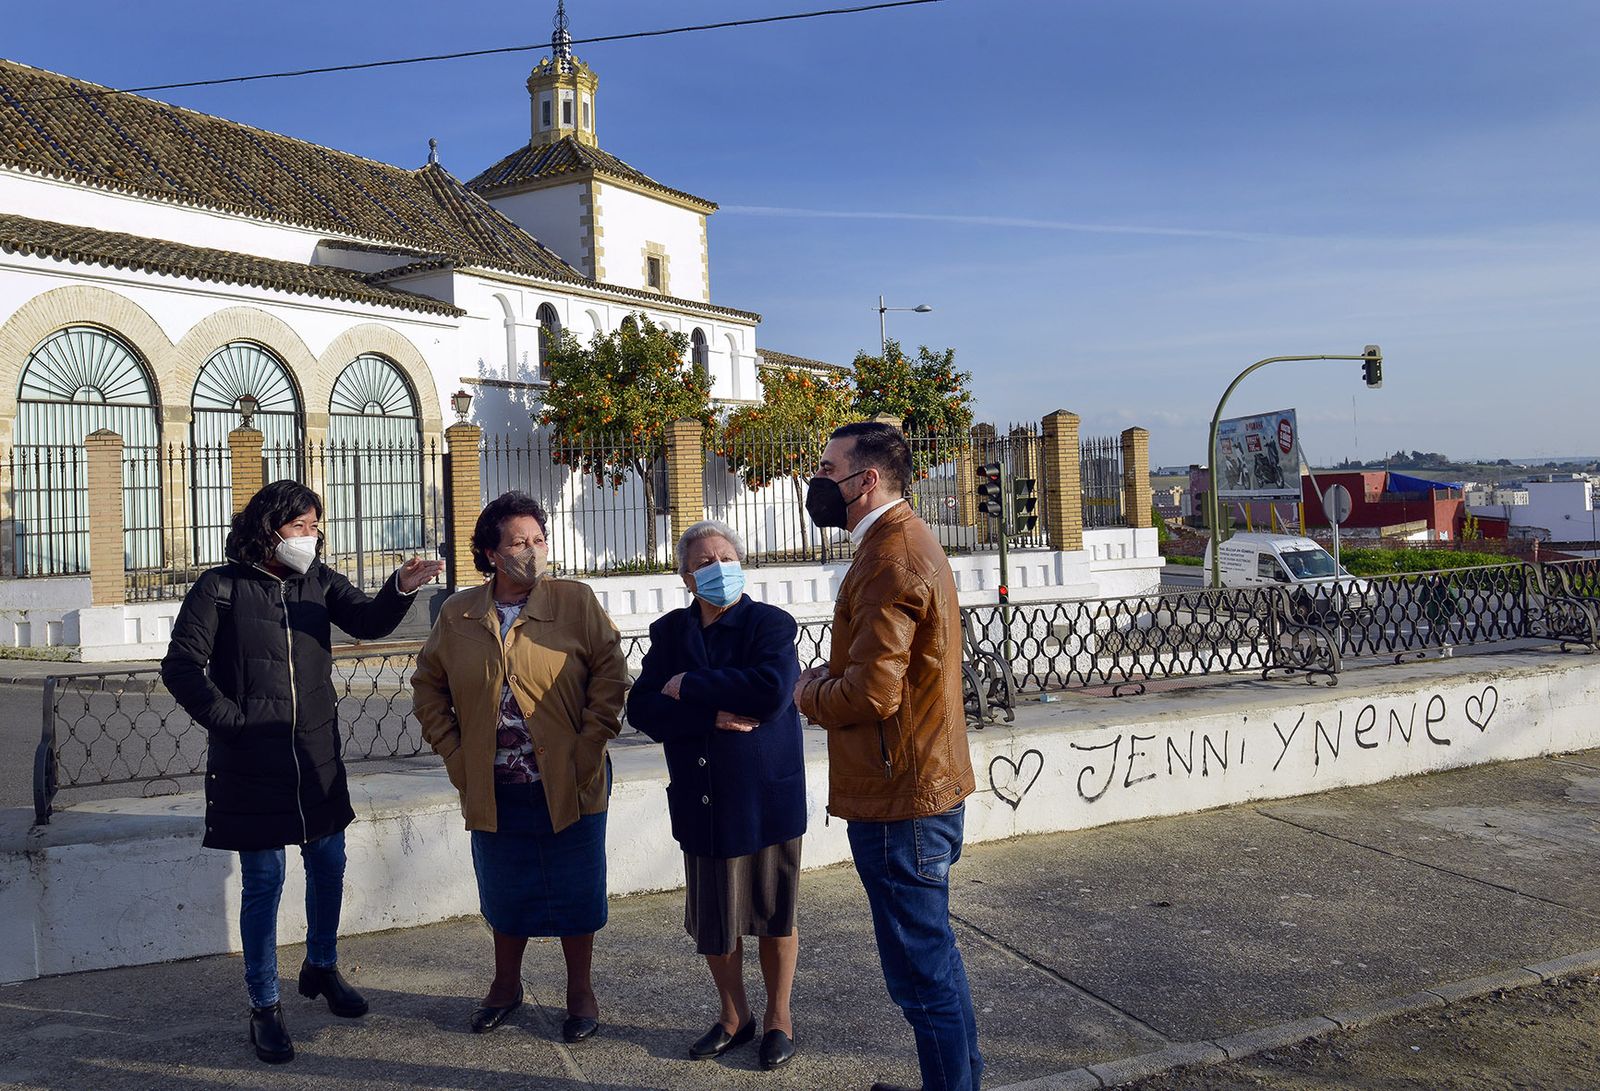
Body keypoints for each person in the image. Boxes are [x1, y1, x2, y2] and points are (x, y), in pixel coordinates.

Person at [160, 479, 442, 1065]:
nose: (312, 537)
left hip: (315, 755)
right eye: (303, 526)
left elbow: (367, 620)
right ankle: (265, 1004)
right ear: (271, 527)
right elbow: (181, 665)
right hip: (250, 761)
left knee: (329, 861)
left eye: (317, 526)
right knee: (264, 881)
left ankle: (321, 966)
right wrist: (231, 722)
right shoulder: (221, 587)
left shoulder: (318, 580)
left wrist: (400, 587)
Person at [793, 421, 982, 1091]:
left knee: (921, 976)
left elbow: (872, 693)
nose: (816, 480)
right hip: (913, 787)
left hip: (901, 800)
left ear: (863, 479)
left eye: (825, 467)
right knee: (934, 964)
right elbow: (884, 674)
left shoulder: (891, 556)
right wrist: (835, 675)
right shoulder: (897, 543)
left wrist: (810, 689)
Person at [411, 491, 627, 1043]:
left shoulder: (573, 602)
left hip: (569, 779)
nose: (532, 552)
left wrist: (590, 743)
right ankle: (505, 985)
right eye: (518, 543)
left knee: (578, 891)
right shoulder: (458, 612)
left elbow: (610, 672)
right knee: (506, 892)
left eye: (538, 539)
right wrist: (455, 755)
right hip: (494, 782)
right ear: (490, 552)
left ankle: (581, 991)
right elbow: (428, 687)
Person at [627, 520, 805, 1071]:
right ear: (686, 577)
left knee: (775, 914)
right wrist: (709, 714)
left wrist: (687, 686)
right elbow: (642, 709)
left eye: (727, 556)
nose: (718, 567)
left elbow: (772, 692)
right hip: (702, 797)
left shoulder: (769, 624)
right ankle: (735, 1016)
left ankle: (779, 1018)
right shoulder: (670, 633)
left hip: (764, 797)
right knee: (714, 921)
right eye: (705, 561)